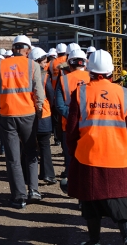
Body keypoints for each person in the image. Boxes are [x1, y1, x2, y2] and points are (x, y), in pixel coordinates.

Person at [67, 50, 127, 245]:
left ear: (89, 70)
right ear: (111, 72)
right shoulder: (124, 93)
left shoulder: (81, 92)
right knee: (121, 197)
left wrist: (75, 151)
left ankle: (94, 240)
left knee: (90, 200)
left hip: (89, 155)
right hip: (117, 156)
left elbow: (72, 130)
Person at [0, 34, 45, 209]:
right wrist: (38, 110)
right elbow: (39, 92)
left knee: (13, 158)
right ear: (28, 49)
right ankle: (34, 190)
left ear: (13, 49)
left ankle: (19, 197)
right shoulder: (33, 65)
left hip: (7, 115)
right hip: (28, 114)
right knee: (31, 153)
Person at [54, 48, 90, 187]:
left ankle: (73, 185)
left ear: (69, 64)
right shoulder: (91, 78)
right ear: (84, 63)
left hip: (68, 125)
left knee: (70, 157)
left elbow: (59, 104)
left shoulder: (63, 80)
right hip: (88, 124)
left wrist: (72, 117)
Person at [30, 47, 56, 185]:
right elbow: (51, 96)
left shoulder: (25, 75)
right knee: (45, 146)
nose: (46, 64)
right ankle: (48, 174)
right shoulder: (45, 76)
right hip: (44, 115)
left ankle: (30, 175)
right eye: (45, 61)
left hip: (28, 115)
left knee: (30, 147)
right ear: (38, 61)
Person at [49, 43, 69, 147]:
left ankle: (57, 139)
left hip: (55, 91)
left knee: (57, 119)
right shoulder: (68, 61)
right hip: (69, 92)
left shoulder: (52, 63)